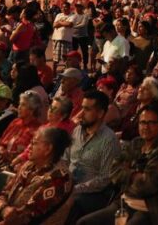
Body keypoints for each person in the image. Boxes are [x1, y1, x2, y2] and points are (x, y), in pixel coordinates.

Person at [79, 104, 158, 225]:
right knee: (84, 222)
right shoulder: (136, 143)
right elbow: (113, 171)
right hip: (125, 203)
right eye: (142, 122)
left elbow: (147, 186)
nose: (146, 127)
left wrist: (126, 175)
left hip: (152, 209)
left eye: (151, 123)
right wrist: (135, 175)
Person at [0, 126, 73, 224]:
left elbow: (26, 216)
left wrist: (3, 212)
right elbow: (3, 193)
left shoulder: (60, 177)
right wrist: (3, 209)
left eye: (34, 143)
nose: (29, 147)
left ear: (48, 149)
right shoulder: (29, 165)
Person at [67, 90, 122, 222]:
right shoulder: (77, 131)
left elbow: (105, 179)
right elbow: (65, 158)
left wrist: (75, 189)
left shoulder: (109, 139)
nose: (81, 113)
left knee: (71, 203)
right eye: (82, 108)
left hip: (96, 194)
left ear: (100, 114)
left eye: (87, 109)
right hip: (69, 185)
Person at [0, 89, 45, 166]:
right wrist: (1, 149)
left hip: (17, 167)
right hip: (0, 162)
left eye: (23, 105)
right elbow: (1, 142)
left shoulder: (38, 130)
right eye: (19, 104)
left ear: (32, 110)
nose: (19, 107)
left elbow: (30, 155)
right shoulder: (15, 122)